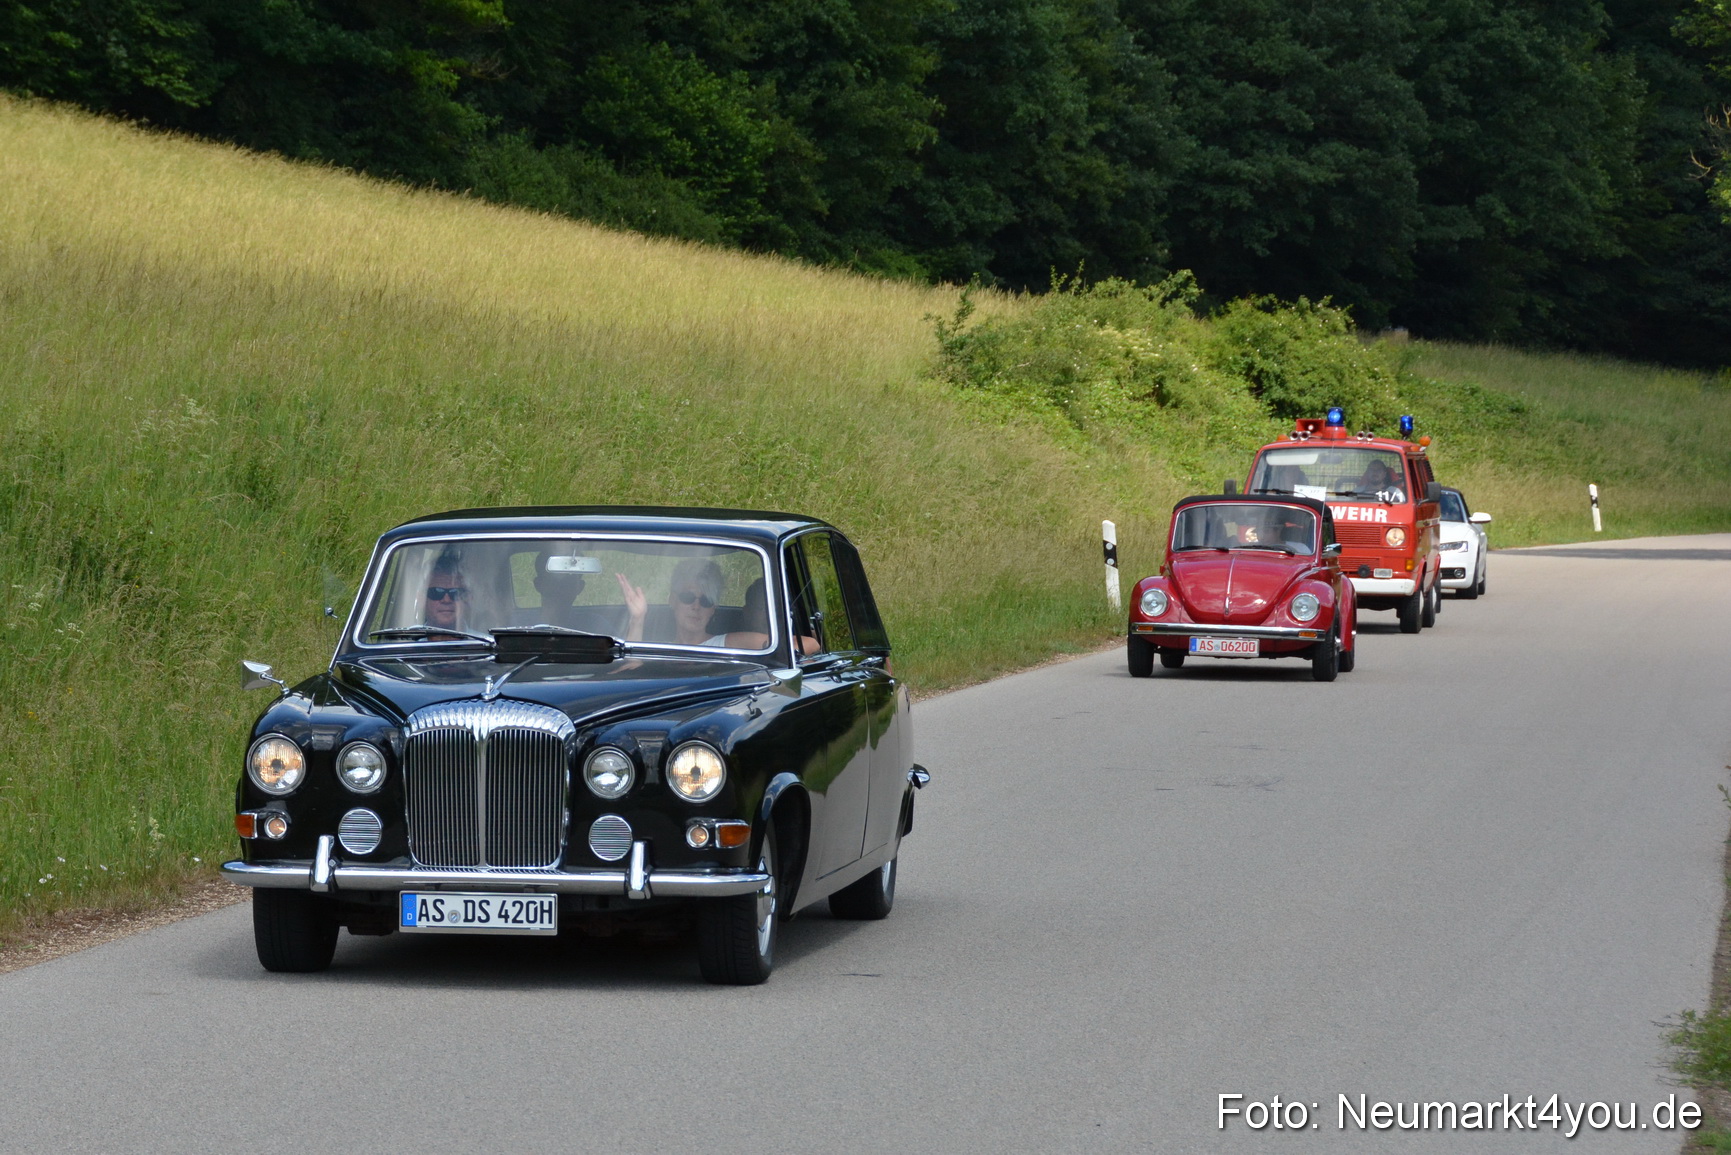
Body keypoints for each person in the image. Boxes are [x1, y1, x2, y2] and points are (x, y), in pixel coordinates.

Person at [617, 557, 727, 646]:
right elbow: (632, 665)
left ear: (713, 608)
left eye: (706, 600)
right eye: (688, 597)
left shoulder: (728, 644)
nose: (696, 606)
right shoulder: (660, 650)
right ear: (672, 600)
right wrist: (638, 619)